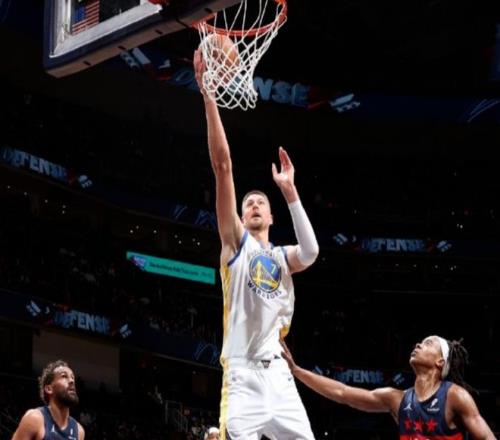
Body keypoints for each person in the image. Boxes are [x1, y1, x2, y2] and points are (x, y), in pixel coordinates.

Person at [194, 48, 320, 440]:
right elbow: (223, 165)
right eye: (247, 202)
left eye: (260, 202)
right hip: (242, 375)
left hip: (279, 376)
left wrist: (290, 192)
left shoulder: (282, 257)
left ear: (270, 217)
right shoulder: (235, 244)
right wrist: (208, 95)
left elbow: (311, 252)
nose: (252, 204)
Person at [281, 335, 497, 440]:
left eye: (428, 343)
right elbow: (342, 393)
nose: (418, 344)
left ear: (440, 362)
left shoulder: (455, 396)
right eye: (420, 342)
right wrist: (297, 370)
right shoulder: (398, 399)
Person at [11, 360, 85, 440]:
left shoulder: (79, 431)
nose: (71, 381)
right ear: (49, 389)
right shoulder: (34, 419)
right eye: (64, 376)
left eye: (72, 377)